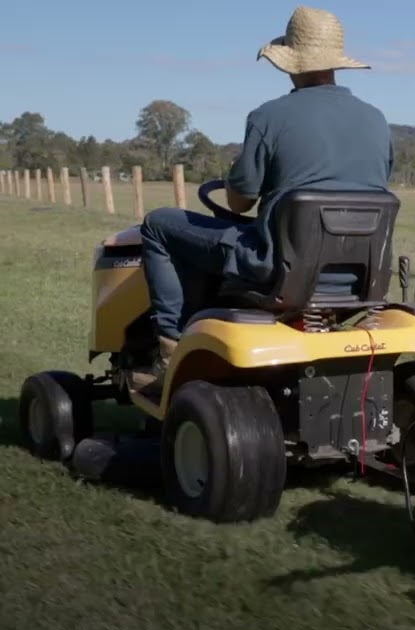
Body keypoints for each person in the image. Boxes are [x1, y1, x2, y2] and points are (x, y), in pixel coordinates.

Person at [131, 5, 394, 393]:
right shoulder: (376, 119)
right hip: (358, 276)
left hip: (278, 267)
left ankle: (170, 351)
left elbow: (239, 204)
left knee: (157, 224)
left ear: (289, 62)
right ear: (336, 64)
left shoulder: (269, 117)